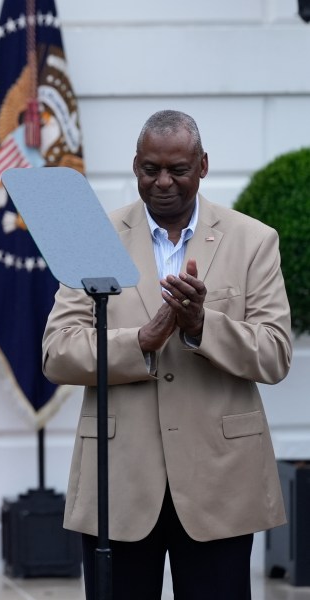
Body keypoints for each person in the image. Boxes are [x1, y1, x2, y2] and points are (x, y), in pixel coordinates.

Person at [42, 110, 292, 599]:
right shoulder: (92, 235)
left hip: (219, 481)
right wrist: (141, 341)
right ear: (135, 166)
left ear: (202, 166)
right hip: (119, 481)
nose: (162, 182)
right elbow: (58, 351)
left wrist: (203, 325)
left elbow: (275, 353)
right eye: (149, 169)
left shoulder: (253, 240)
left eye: (177, 170)